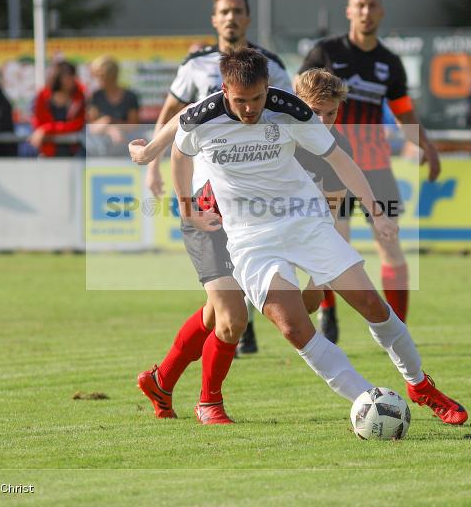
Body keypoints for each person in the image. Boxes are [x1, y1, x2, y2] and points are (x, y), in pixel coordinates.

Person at [172, 49, 467, 425]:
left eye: (258, 99)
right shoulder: (203, 116)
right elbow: (179, 149)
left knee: (373, 306)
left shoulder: (291, 110)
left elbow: (341, 161)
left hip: (306, 223)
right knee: (295, 327)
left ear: (268, 87)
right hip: (249, 240)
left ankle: (419, 385)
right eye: (241, 101)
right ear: (225, 89)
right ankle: (369, 400)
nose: (250, 109)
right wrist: (185, 205)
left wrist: (377, 213)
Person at [129, 68, 351, 424]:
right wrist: (151, 150)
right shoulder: (272, 117)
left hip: (258, 229)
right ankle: (208, 403)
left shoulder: (331, 147)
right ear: (293, 103)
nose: (322, 121)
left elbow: (330, 216)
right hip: (212, 215)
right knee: (233, 317)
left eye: (331, 113)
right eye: (316, 111)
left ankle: (161, 380)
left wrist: (318, 281)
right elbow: (189, 118)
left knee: (215, 313)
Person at [142, 0, 293, 361]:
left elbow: (292, 117)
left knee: (225, 298)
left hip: (256, 187)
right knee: (226, 296)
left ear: (247, 18)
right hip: (206, 187)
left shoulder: (271, 65)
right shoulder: (196, 65)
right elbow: (174, 114)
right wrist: (153, 161)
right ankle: (232, 341)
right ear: (214, 19)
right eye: (224, 11)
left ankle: (167, 377)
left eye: (237, 10)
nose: (230, 17)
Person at [299, 0, 442, 342]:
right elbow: (297, 102)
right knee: (333, 242)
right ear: (349, 10)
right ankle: (328, 313)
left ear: (381, 11)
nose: (365, 11)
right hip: (329, 165)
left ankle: (399, 329)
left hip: (376, 168)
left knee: (391, 245)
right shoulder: (324, 52)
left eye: (372, 5)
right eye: (359, 5)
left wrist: (428, 146)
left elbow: (404, 112)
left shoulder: (389, 63)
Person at [29, 61, 86, 157]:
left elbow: (79, 124)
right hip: (48, 151)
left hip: (74, 151)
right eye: (67, 76)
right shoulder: (43, 96)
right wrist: (45, 129)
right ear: (57, 78)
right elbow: (38, 123)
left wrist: (47, 129)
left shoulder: (79, 96)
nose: (71, 80)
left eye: (73, 75)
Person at [85, 55, 139, 156]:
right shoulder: (95, 97)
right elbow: (92, 127)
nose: (96, 80)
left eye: (100, 76)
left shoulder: (130, 97)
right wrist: (111, 129)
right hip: (99, 150)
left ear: (111, 76)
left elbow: (134, 125)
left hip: (126, 148)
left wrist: (110, 122)